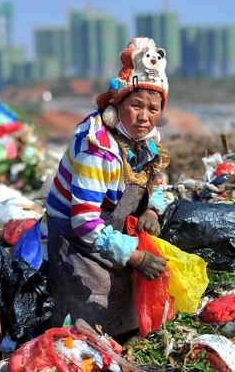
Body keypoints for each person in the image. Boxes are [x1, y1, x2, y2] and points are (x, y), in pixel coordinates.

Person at [43, 37, 172, 336]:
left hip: (111, 227)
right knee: (88, 318)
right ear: (117, 105)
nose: (144, 116)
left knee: (132, 308)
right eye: (135, 105)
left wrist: (152, 210)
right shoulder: (98, 147)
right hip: (74, 234)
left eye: (153, 108)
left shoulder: (149, 142)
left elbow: (158, 182)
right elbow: (85, 222)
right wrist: (136, 257)